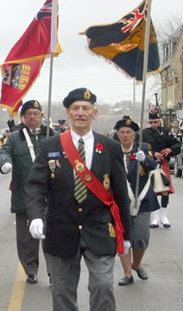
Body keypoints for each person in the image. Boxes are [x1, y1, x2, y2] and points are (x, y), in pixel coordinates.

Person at [26, 88, 130, 311]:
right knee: (62, 291)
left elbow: (120, 194)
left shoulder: (110, 147)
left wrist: (127, 235)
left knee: (103, 285)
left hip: (100, 229)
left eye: (86, 108)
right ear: (68, 112)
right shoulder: (50, 146)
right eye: (75, 108)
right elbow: (35, 186)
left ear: (94, 113)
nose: (80, 113)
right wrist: (35, 217)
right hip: (61, 228)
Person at [0, 99, 55, 284]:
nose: (32, 117)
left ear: (42, 116)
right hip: (24, 194)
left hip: (51, 194)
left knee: (52, 235)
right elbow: (2, 151)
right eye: (28, 113)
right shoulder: (15, 137)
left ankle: (54, 272)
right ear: (22, 117)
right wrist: (5, 162)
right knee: (26, 237)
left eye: (36, 114)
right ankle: (30, 269)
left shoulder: (52, 135)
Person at [112, 116, 160, 286]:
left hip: (142, 200)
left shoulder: (143, 148)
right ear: (117, 134)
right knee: (122, 237)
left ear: (134, 134)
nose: (125, 135)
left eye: (128, 132)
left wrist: (144, 160)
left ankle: (137, 264)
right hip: (119, 202)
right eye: (122, 132)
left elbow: (153, 166)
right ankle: (127, 273)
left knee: (140, 238)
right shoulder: (112, 150)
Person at [142, 111, 180, 228]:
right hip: (150, 165)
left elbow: (177, 145)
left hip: (163, 164)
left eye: (156, 122)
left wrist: (170, 150)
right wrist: (153, 153)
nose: (154, 124)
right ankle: (155, 217)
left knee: (164, 190)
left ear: (159, 121)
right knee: (152, 191)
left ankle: (164, 216)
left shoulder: (167, 132)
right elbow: (140, 148)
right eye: (151, 122)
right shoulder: (144, 133)